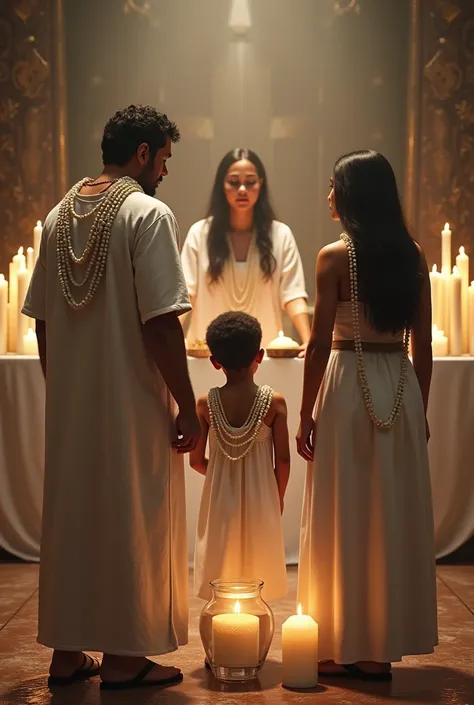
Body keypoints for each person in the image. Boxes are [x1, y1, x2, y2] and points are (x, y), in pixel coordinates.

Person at [22, 105, 200, 690]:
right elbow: (162, 322)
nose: (166, 172)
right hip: (131, 405)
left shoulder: (56, 215)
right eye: (165, 159)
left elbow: (43, 321)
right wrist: (184, 400)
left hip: (74, 405)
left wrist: (66, 387)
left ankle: (67, 654)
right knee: (132, 518)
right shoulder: (147, 213)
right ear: (143, 153)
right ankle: (126, 660)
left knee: (76, 519)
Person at [296, 151, 438, 680]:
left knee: (343, 509)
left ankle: (339, 641)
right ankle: (378, 648)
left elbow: (315, 345)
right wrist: (418, 411)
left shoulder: (334, 258)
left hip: (348, 383)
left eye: (334, 186)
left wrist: (305, 413)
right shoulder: (413, 256)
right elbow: (422, 348)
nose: (328, 195)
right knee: (388, 514)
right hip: (397, 385)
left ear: (352, 195)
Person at [190, 311, 289, 603]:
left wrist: (223, 477)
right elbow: (282, 460)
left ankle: (222, 624)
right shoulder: (275, 403)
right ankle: (254, 622)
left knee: (222, 559)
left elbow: (196, 461)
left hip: (219, 500)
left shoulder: (205, 404)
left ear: (214, 361)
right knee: (258, 560)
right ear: (259, 355)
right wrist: (277, 495)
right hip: (262, 498)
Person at [181, 148, 310, 350]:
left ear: (261, 184)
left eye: (250, 182)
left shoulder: (280, 234)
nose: (242, 189)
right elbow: (185, 295)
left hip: (263, 353)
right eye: (234, 182)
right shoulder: (200, 234)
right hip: (206, 352)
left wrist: (308, 340)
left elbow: (293, 294)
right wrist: (169, 341)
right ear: (222, 186)